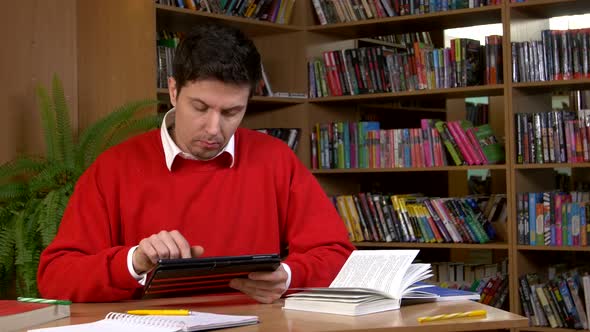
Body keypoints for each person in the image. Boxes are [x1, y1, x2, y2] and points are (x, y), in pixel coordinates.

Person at [37, 22, 355, 303]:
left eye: (231, 112)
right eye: (200, 107)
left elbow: (338, 255)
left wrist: (288, 275)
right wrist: (135, 261)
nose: (214, 129)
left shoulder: (275, 159)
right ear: (174, 91)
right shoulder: (114, 168)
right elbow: (55, 276)